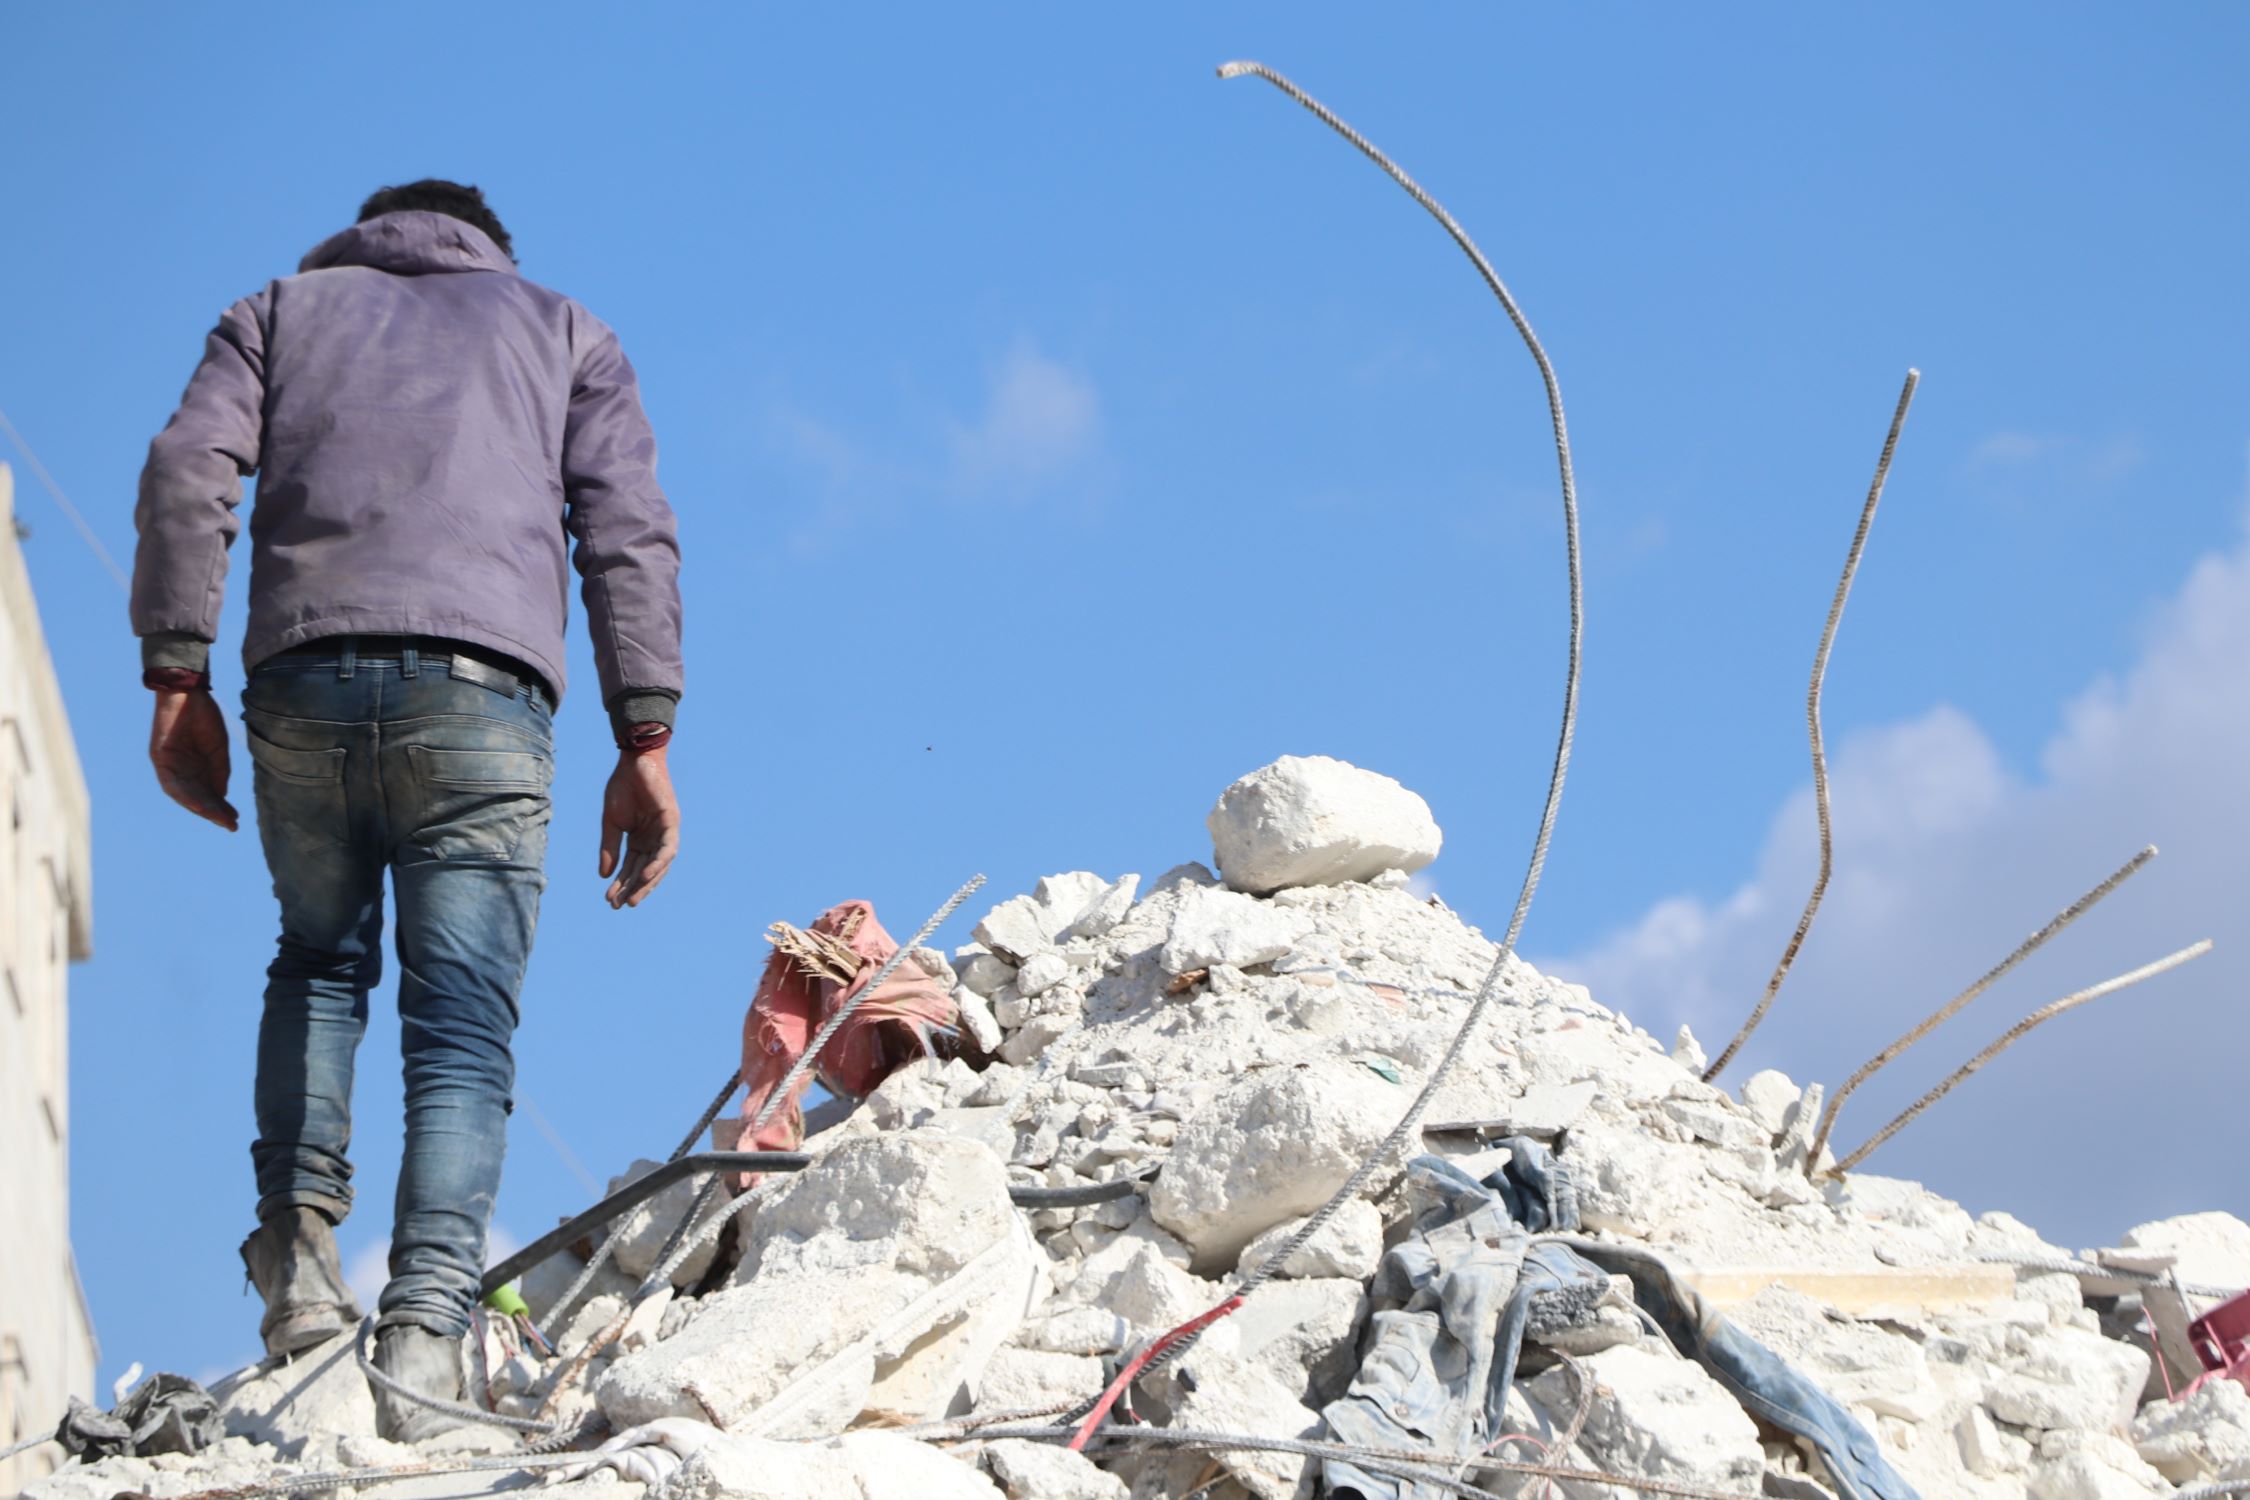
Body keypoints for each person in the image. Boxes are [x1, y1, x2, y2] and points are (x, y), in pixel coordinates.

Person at [129, 180, 683, 1439]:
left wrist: (176, 677)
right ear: (490, 250)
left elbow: (186, 470)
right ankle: (428, 1339)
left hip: (301, 682)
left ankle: (299, 1271)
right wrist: (643, 734)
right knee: (461, 1026)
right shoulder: (563, 331)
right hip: (485, 704)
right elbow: (627, 534)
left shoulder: (276, 312)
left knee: (319, 963)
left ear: (364, 236)